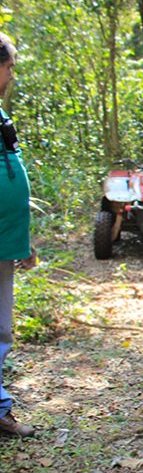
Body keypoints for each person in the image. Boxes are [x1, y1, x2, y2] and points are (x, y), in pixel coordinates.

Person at [0, 32, 36, 438]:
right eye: (8, 67)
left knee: (1, 329)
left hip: (5, 241)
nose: (11, 75)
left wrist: (21, 239)